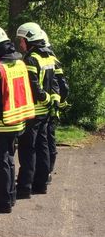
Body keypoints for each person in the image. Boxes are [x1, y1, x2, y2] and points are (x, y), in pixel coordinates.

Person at [0, 25, 35, 213]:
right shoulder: (19, 62)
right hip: (17, 121)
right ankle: (10, 197)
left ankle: (2, 202)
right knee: (9, 161)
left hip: (0, 125)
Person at [16, 22, 60, 198]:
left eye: (22, 40)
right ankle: (41, 184)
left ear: (30, 40)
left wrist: (45, 98)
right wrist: (53, 102)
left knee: (27, 149)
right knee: (43, 147)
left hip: (33, 112)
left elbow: (33, 86)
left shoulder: (31, 59)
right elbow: (55, 83)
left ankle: (25, 187)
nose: (20, 44)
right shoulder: (48, 57)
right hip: (45, 112)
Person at [42, 30, 70, 183]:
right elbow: (63, 86)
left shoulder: (44, 60)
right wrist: (60, 102)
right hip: (53, 108)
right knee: (50, 140)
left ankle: (45, 174)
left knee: (44, 142)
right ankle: (48, 172)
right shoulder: (54, 59)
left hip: (44, 107)